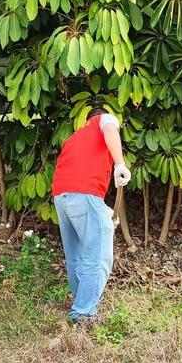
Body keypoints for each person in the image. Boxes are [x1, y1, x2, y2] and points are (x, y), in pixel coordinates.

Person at [52, 108, 131, 323]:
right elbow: (110, 128)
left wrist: (104, 212)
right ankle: (83, 313)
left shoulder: (74, 138)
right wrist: (120, 164)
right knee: (97, 256)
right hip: (84, 194)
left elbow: (78, 186)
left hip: (62, 196)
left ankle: (80, 301)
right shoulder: (102, 120)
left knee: (76, 254)